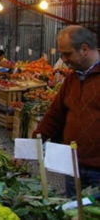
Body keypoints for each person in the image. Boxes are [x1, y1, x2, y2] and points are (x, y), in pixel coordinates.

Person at [33, 25, 100, 195]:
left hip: (98, 170)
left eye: (67, 54)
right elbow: (54, 115)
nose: (63, 59)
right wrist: (33, 145)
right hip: (74, 165)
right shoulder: (72, 79)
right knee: (73, 211)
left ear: (84, 49)